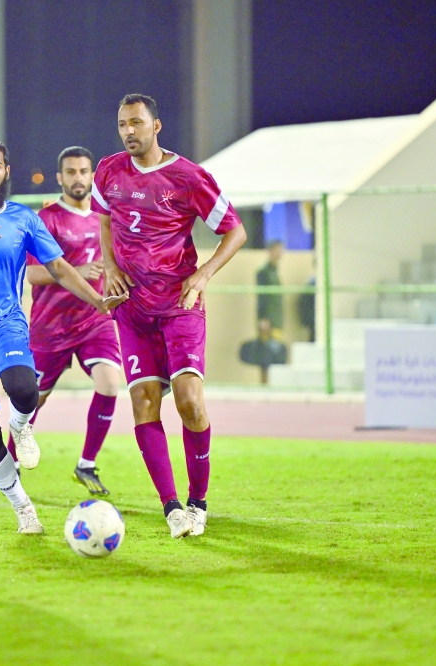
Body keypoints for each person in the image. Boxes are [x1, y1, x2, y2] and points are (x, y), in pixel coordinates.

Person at [0, 139, 125, 534]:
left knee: (24, 390)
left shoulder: (24, 219)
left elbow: (59, 268)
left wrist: (97, 301)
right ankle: (23, 508)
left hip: (5, 324)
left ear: (6, 170)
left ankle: (22, 425)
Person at [93, 94, 247, 538]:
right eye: (122, 124)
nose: (128, 132)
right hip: (132, 309)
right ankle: (172, 508)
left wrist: (202, 276)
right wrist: (110, 267)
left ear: (156, 126)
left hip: (179, 305)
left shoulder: (188, 177)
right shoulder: (108, 170)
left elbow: (234, 231)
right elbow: (104, 219)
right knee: (143, 402)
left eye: (136, 123)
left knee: (189, 401)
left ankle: (199, 502)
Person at [16, 146, 122, 496]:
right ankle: (11, 462)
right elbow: (32, 274)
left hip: (95, 320)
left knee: (109, 383)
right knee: (31, 402)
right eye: (71, 172)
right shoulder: (46, 220)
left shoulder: (104, 218)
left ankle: (86, 464)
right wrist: (77, 271)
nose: (79, 178)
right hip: (51, 326)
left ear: (92, 175)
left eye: (84, 171)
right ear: (60, 178)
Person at [254, 240, 287, 382]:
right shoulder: (263, 271)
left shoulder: (275, 270)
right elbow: (261, 297)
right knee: (265, 354)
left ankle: (274, 382)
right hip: (267, 320)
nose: (280, 253)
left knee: (276, 353)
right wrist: (263, 319)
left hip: (277, 319)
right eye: (277, 249)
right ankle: (264, 383)